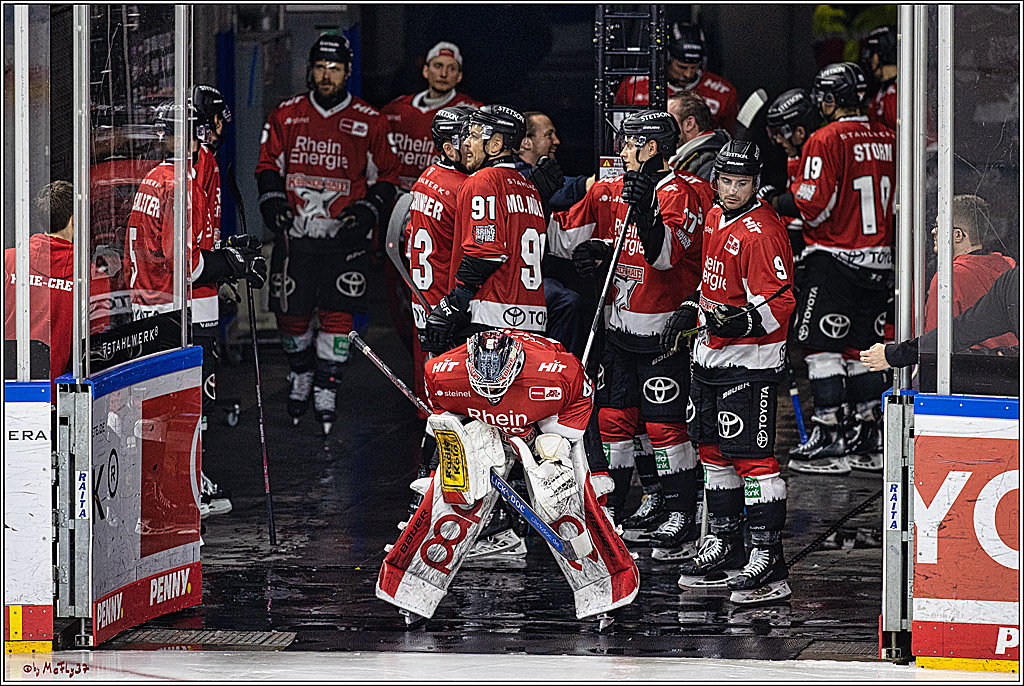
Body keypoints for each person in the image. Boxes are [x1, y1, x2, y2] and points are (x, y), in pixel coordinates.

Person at [377, 329, 639, 625]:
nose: (492, 394)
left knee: (559, 495)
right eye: (484, 388)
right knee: (456, 495)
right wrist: (454, 459)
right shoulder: (441, 372)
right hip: (483, 424)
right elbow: (447, 420)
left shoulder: (560, 373)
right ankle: (410, 584)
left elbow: (579, 421)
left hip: (544, 423)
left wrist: (559, 457)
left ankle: (605, 585)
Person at [547, 110, 706, 559]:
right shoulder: (611, 188)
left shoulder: (683, 191)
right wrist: (532, 191)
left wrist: (641, 208)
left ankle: (681, 510)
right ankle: (618, 507)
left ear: (651, 148)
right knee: (614, 423)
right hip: (617, 329)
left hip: (664, 333)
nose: (622, 150)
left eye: (630, 143)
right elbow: (559, 239)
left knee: (663, 427)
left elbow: (665, 256)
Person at [661, 140, 796, 604]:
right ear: (715, 179)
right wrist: (689, 308)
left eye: (743, 183)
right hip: (709, 359)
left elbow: (781, 303)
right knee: (713, 454)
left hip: (750, 363)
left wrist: (739, 321)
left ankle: (767, 558)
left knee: (752, 460)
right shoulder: (717, 217)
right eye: (727, 181)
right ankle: (724, 543)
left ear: (756, 184)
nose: (734, 190)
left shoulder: (764, 231)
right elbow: (711, 281)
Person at [256, 33, 400, 435]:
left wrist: (365, 211)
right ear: (309, 69)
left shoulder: (371, 121)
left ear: (348, 72)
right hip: (296, 236)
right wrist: (272, 202)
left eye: (334, 69)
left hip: (343, 238)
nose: (326, 75)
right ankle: (300, 374)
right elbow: (267, 165)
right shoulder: (285, 115)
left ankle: (327, 387)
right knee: (291, 314)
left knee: (339, 315)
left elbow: (387, 176)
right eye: (320, 67)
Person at [765, 62, 895, 474]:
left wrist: (771, 198)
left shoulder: (827, 137)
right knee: (860, 350)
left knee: (822, 348)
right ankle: (868, 432)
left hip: (836, 259)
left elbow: (812, 207)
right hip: (882, 261)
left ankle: (829, 434)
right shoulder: (888, 136)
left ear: (828, 99)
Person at [423, 105, 547, 352]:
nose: (467, 143)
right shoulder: (529, 188)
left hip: (491, 318)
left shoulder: (482, 180)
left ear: (495, 145)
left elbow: (486, 252)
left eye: (475, 136)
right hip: (533, 317)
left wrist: (453, 303)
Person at [4, 181, 106, 382]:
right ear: (74, 221)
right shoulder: (91, 277)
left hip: (8, 395)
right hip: (60, 397)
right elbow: (97, 351)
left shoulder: (8, 262)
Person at [512, 111, 590, 356]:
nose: (556, 141)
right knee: (568, 301)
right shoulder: (515, 174)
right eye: (548, 135)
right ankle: (559, 374)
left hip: (529, 274)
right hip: (508, 281)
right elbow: (566, 189)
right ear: (526, 141)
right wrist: (607, 182)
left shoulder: (535, 171)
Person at [861, 265, 1019, 371]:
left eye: (937, 226)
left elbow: (963, 330)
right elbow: (962, 330)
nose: (933, 232)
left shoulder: (953, 275)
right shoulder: (1011, 282)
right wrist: (895, 354)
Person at [382, 41, 482, 192]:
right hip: (397, 198)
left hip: (442, 200)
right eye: (438, 66)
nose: (443, 74)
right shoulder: (395, 109)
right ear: (426, 71)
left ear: (459, 76)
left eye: (451, 68)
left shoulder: (473, 114)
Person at [922, 195, 1017, 349]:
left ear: (958, 235)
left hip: (966, 370)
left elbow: (934, 345)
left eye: (939, 226)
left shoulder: (949, 278)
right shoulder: (1008, 269)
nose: (933, 231)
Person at [615, 22, 739, 134]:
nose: (688, 74)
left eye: (695, 67)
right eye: (681, 67)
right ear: (667, 59)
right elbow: (616, 133)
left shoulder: (723, 93)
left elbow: (729, 140)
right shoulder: (634, 86)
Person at [761, 88, 821, 257]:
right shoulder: (795, 155)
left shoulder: (820, 153)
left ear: (800, 132)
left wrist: (772, 200)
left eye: (780, 133)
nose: (778, 140)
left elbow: (808, 206)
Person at [666, 91, 732, 182]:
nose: (663, 127)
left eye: (668, 121)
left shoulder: (710, 165)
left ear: (689, 123)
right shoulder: (691, 158)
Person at [862, 25, 897, 132]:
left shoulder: (899, 97)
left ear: (879, 56)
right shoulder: (884, 92)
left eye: (871, 54)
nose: (869, 60)